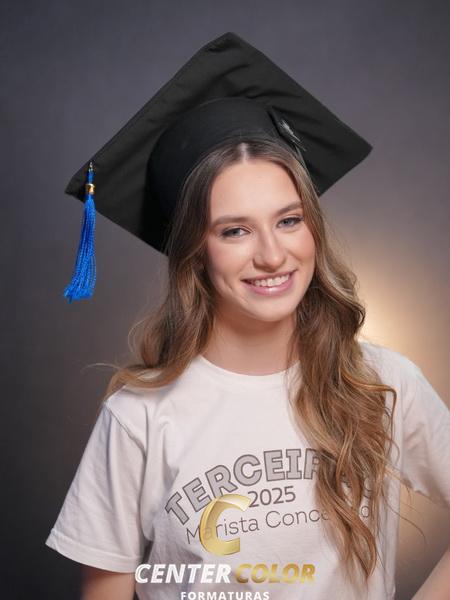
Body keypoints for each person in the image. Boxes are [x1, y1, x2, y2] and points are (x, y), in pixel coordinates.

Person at [45, 32, 450, 600]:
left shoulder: (382, 383)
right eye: (234, 230)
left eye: (289, 220)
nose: (272, 255)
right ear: (195, 251)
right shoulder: (139, 416)